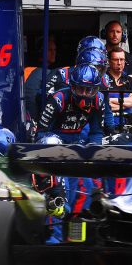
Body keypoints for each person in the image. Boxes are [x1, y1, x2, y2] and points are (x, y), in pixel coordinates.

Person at [37, 64, 105, 243]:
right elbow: (41, 132)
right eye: (80, 88)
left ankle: (75, 238)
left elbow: (97, 132)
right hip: (54, 151)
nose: (84, 93)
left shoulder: (99, 100)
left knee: (85, 190)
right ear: (72, 86)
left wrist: (92, 150)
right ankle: (53, 237)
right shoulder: (58, 99)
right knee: (59, 193)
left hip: (78, 148)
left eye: (88, 89)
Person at [23, 35, 57, 125]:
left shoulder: (29, 69)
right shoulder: (39, 72)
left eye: (54, 50)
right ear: (41, 52)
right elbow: (31, 99)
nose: (53, 53)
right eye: (50, 50)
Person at [106, 45, 132, 128]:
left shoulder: (130, 80)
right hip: (106, 124)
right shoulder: (102, 79)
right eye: (116, 60)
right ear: (109, 61)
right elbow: (103, 104)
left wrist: (112, 100)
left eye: (122, 59)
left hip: (126, 125)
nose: (119, 63)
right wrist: (127, 102)